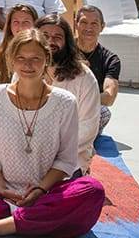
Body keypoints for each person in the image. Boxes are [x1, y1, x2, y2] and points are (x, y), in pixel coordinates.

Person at [0, 29, 105, 238]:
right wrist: (2, 188)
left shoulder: (65, 102)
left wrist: (40, 190)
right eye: (21, 58)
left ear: (46, 60)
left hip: (48, 192)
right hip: (2, 192)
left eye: (35, 58)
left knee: (92, 191)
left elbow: (66, 159)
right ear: (11, 60)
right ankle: (37, 220)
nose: (28, 65)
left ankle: (5, 225)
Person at [36, 14, 100, 174]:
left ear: (67, 42)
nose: (50, 41)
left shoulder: (84, 77)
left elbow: (88, 127)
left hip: (69, 158)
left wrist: (49, 151)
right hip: (27, 153)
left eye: (57, 37)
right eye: (45, 36)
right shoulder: (25, 70)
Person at [75, 5, 121, 134]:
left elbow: (109, 97)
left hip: (89, 109)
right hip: (62, 104)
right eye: (84, 22)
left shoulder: (110, 59)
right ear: (76, 24)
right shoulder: (64, 50)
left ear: (102, 26)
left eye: (94, 23)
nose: (89, 28)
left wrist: (82, 100)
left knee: (104, 113)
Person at [0, 4, 38, 92]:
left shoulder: (42, 55)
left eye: (26, 22)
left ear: (34, 25)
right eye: (16, 22)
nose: (20, 27)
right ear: (10, 26)